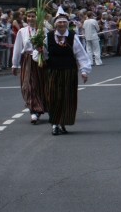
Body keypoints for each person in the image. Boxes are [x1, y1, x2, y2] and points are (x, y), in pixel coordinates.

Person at [34, 8, 92, 136]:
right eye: (59, 22)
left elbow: (81, 55)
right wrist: (39, 52)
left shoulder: (72, 37)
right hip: (53, 71)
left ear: (67, 24)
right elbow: (39, 55)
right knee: (53, 97)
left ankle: (63, 122)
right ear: (55, 24)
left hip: (69, 72)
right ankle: (55, 123)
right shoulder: (47, 37)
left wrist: (84, 71)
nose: (61, 24)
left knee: (67, 98)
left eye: (64, 22)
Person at [11, 9, 47, 124]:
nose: (31, 19)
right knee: (27, 85)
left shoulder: (43, 30)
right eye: (29, 16)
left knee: (40, 84)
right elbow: (17, 48)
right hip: (28, 61)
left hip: (41, 60)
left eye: (33, 16)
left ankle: (39, 108)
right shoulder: (22, 31)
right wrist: (15, 64)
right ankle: (33, 110)